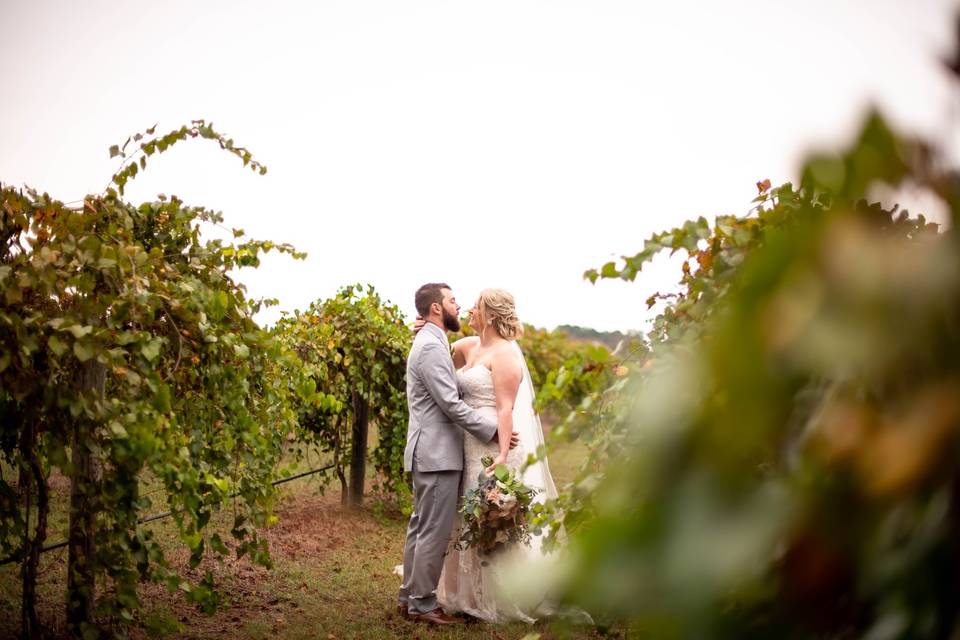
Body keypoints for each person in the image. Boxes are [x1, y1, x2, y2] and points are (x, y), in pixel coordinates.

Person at [435, 288, 560, 623]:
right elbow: (438, 368)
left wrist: (503, 456)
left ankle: (495, 594)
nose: (469, 312)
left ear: (489, 315)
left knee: (489, 514)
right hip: (465, 440)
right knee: (466, 509)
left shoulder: (506, 355)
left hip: (492, 446)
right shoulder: (466, 347)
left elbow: (505, 408)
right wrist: (427, 331)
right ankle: (462, 591)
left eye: (474, 307)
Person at [398, 283, 519, 626]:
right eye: (452, 300)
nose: (459, 306)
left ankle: (409, 598)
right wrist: (493, 430)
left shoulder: (434, 341)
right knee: (433, 530)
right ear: (437, 308)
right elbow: (450, 404)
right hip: (437, 452)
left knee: (421, 526)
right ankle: (421, 604)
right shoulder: (432, 346)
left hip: (435, 450)